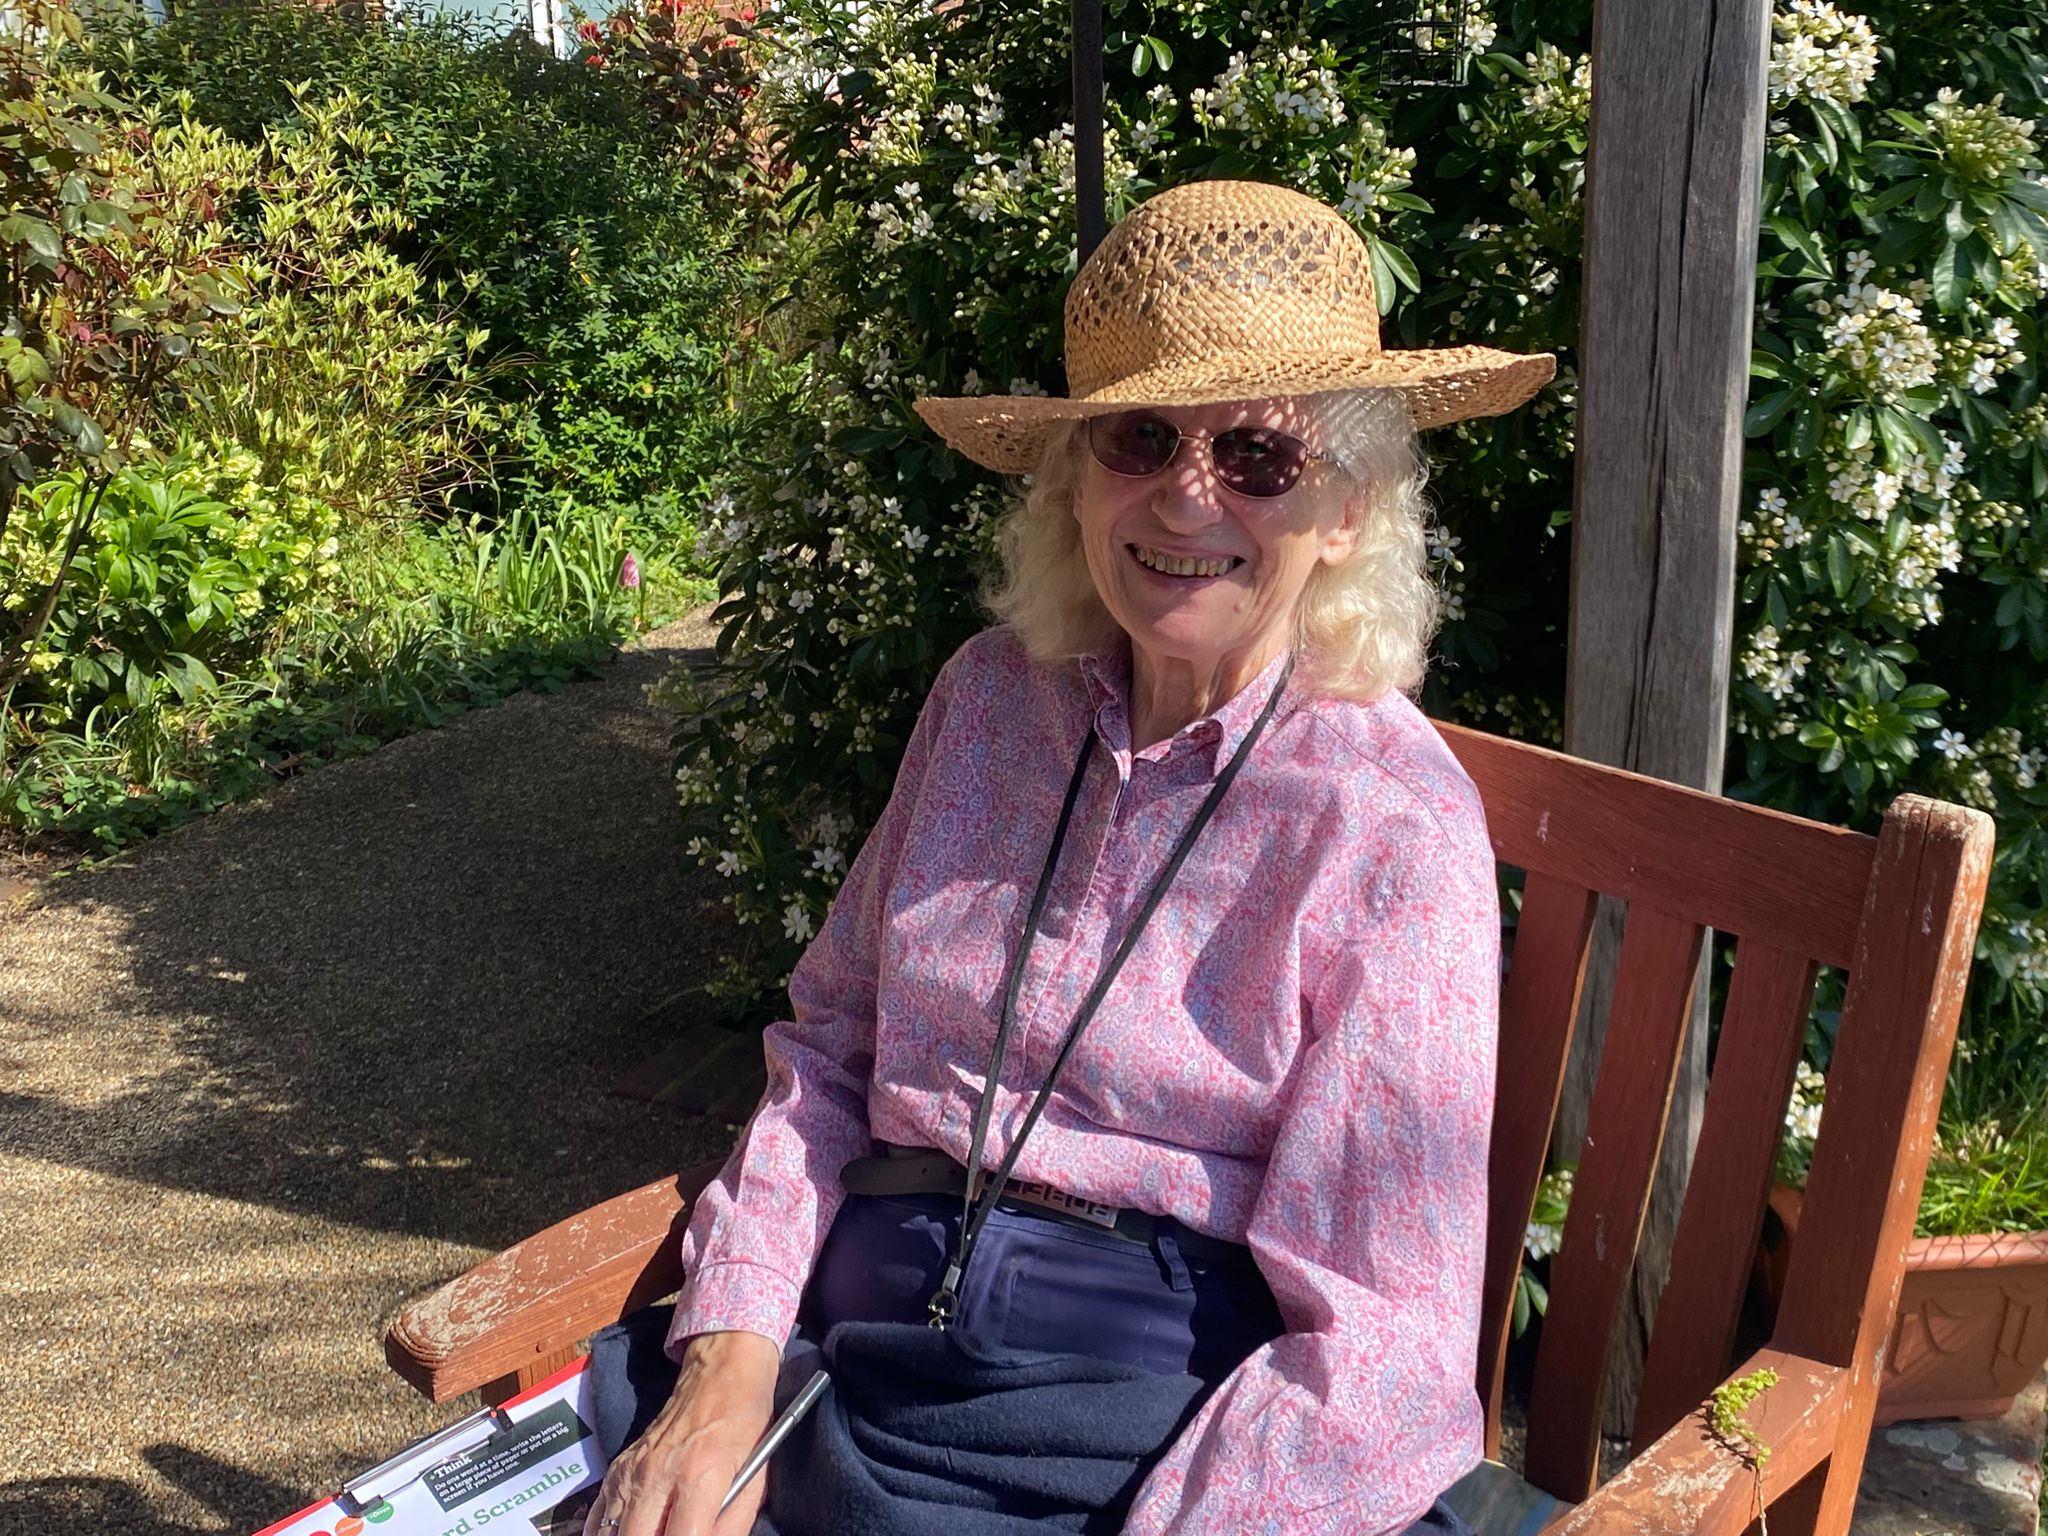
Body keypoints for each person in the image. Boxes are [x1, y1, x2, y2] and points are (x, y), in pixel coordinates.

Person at [582, 179, 1555, 1536]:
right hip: (849, 1359)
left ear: (1348, 508)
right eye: (1141, 438)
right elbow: (831, 1053)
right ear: (1076, 481)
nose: (1187, 496)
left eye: (1259, 457)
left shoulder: (1386, 819)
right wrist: (727, 1364)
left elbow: (1381, 1335)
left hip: (1137, 1427)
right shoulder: (989, 700)